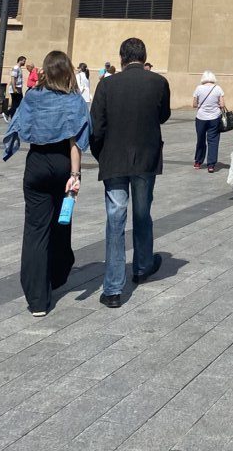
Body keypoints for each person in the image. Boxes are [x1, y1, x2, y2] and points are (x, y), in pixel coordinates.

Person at [2, 50, 90, 317]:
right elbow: (76, 141)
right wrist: (75, 175)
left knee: (35, 230)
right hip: (63, 163)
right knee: (61, 223)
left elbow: (17, 125)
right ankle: (58, 273)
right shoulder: (73, 101)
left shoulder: (33, 97)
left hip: (37, 163)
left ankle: (37, 299)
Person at [90, 37, 171, 308]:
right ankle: (142, 266)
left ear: (122, 58)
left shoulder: (106, 84)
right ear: (143, 55)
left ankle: (113, 288)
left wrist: (100, 153)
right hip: (145, 159)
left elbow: (96, 126)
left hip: (114, 159)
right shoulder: (158, 83)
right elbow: (163, 116)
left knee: (115, 219)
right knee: (142, 212)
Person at [193, 70, 226, 172]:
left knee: (200, 140)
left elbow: (194, 104)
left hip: (201, 118)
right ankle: (211, 165)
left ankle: (198, 162)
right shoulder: (218, 88)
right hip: (214, 118)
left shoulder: (198, 88)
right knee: (213, 141)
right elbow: (222, 105)